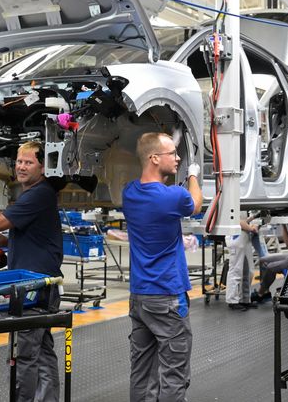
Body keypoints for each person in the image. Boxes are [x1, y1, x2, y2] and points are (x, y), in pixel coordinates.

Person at [0, 141, 63, 402]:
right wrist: (3, 242)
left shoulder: (40, 193)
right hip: (40, 286)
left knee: (25, 355)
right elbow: (31, 236)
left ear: (43, 167)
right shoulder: (35, 194)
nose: (22, 167)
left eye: (29, 162)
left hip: (36, 289)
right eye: (20, 162)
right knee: (42, 353)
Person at [122, 132, 203, 402]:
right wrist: (193, 174)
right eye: (173, 154)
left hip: (140, 298)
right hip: (167, 297)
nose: (178, 158)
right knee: (174, 374)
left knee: (142, 372)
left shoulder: (130, 192)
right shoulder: (173, 196)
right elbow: (195, 204)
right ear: (154, 158)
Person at [250, 224, 288, 303]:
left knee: (270, 268)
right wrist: (284, 225)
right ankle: (265, 292)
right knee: (263, 260)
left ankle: (260, 293)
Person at [225, 213, 260, 311]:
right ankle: (232, 300)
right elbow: (237, 220)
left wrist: (253, 218)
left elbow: (243, 221)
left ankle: (245, 299)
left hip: (244, 237)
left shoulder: (244, 202)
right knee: (236, 271)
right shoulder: (233, 200)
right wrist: (251, 228)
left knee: (248, 271)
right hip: (236, 237)